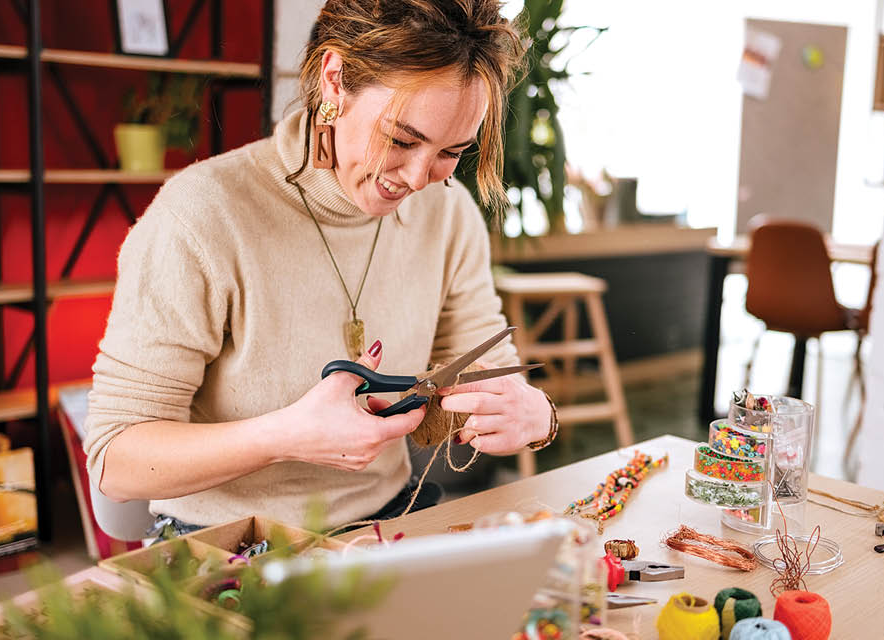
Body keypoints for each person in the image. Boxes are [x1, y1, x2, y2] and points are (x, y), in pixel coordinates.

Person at [83, 0, 559, 534]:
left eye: (452, 152)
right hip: (227, 544)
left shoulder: (448, 214)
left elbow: (478, 380)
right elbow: (115, 462)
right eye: (401, 139)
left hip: (390, 522)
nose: (418, 177)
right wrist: (285, 435)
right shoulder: (200, 216)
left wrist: (529, 414)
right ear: (334, 81)